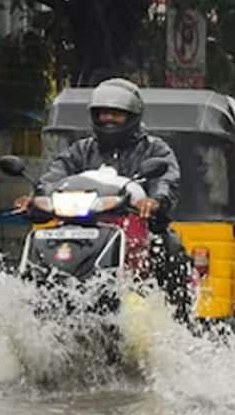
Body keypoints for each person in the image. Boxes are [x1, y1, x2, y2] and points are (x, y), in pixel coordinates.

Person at [25, 78, 190, 318]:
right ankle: (30, 303)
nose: (108, 119)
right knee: (44, 242)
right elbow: (55, 174)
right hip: (81, 225)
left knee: (170, 248)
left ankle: (177, 321)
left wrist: (156, 201)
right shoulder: (81, 150)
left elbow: (167, 179)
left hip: (137, 226)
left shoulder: (154, 149)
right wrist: (39, 195)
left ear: (133, 117)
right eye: (103, 113)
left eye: (116, 114)